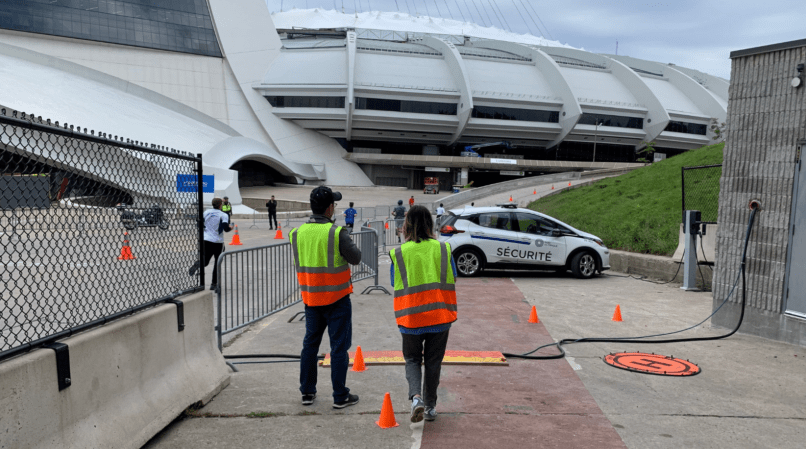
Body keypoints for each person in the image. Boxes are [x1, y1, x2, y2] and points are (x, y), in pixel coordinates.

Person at [290, 186, 362, 409]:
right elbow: (356, 258)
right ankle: (340, 396)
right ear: (330, 208)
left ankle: (307, 393)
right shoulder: (336, 232)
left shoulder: (297, 233)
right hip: (337, 299)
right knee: (339, 348)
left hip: (311, 299)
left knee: (309, 346)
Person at [390, 205, 457, 423]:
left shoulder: (399, 253)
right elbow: (453, 277)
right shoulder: (443, 249)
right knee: (433, 362)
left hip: (410, 317)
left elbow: (394, 282)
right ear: (430, 224)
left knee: (411, 359)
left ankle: (416, 398)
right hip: (439, 317)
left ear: (406, 225)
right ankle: (430, 407)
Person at [188, 197, 233, 291]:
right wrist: (231, 227)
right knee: (217, 262)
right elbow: (226, 228)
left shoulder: (206, 212)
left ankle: (197, 264)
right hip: (218, 242)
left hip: (206, 240)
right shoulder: (223, 215)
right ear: (221, 205)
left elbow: (199, 223)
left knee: (206, 260)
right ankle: (214, 284)